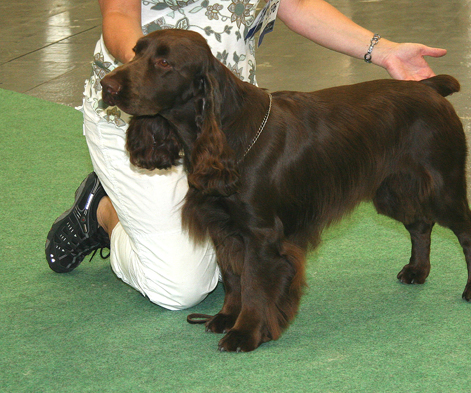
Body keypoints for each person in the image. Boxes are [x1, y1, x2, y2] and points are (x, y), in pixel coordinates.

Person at [45, 0, 447, 310]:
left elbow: (299, 5)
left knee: (243, 251)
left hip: (231, 120)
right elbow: (117, 10)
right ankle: (102, 211)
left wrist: (385, 51)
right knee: (180, 287)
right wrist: (146, 72)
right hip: (143, 117)